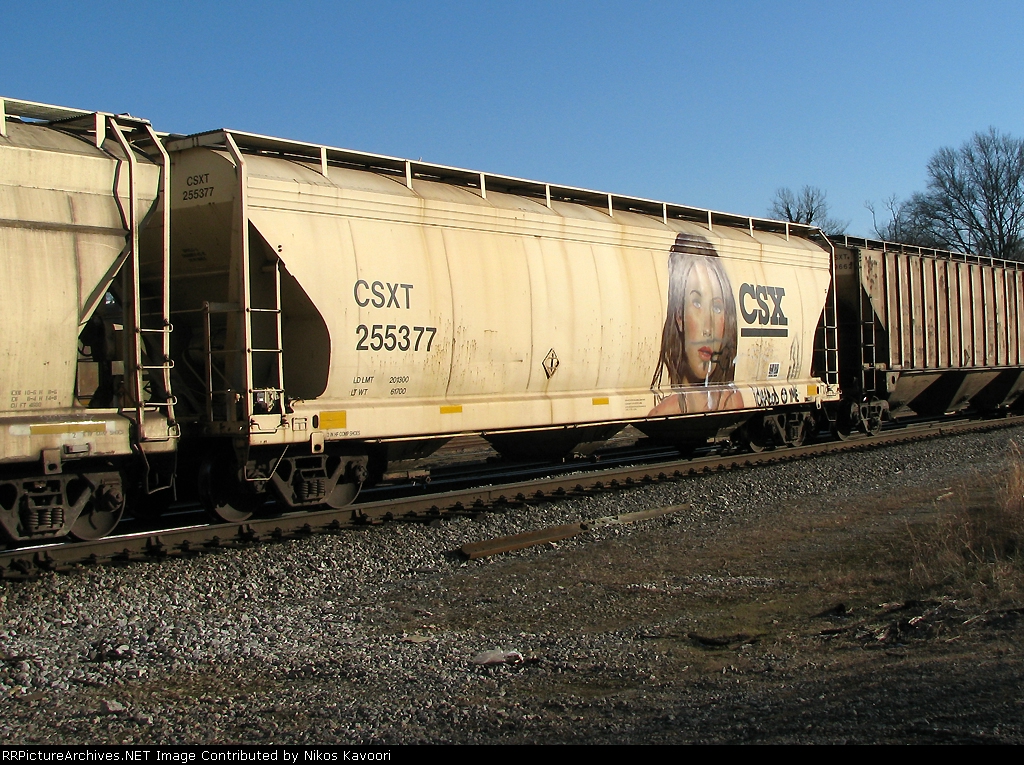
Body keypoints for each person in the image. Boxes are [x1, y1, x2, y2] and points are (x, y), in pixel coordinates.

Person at [649, 233, 741, 415]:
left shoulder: (734, 400)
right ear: (679, 316)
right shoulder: (661, 412)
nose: (709, 329)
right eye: (697, 303)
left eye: (717, 307)